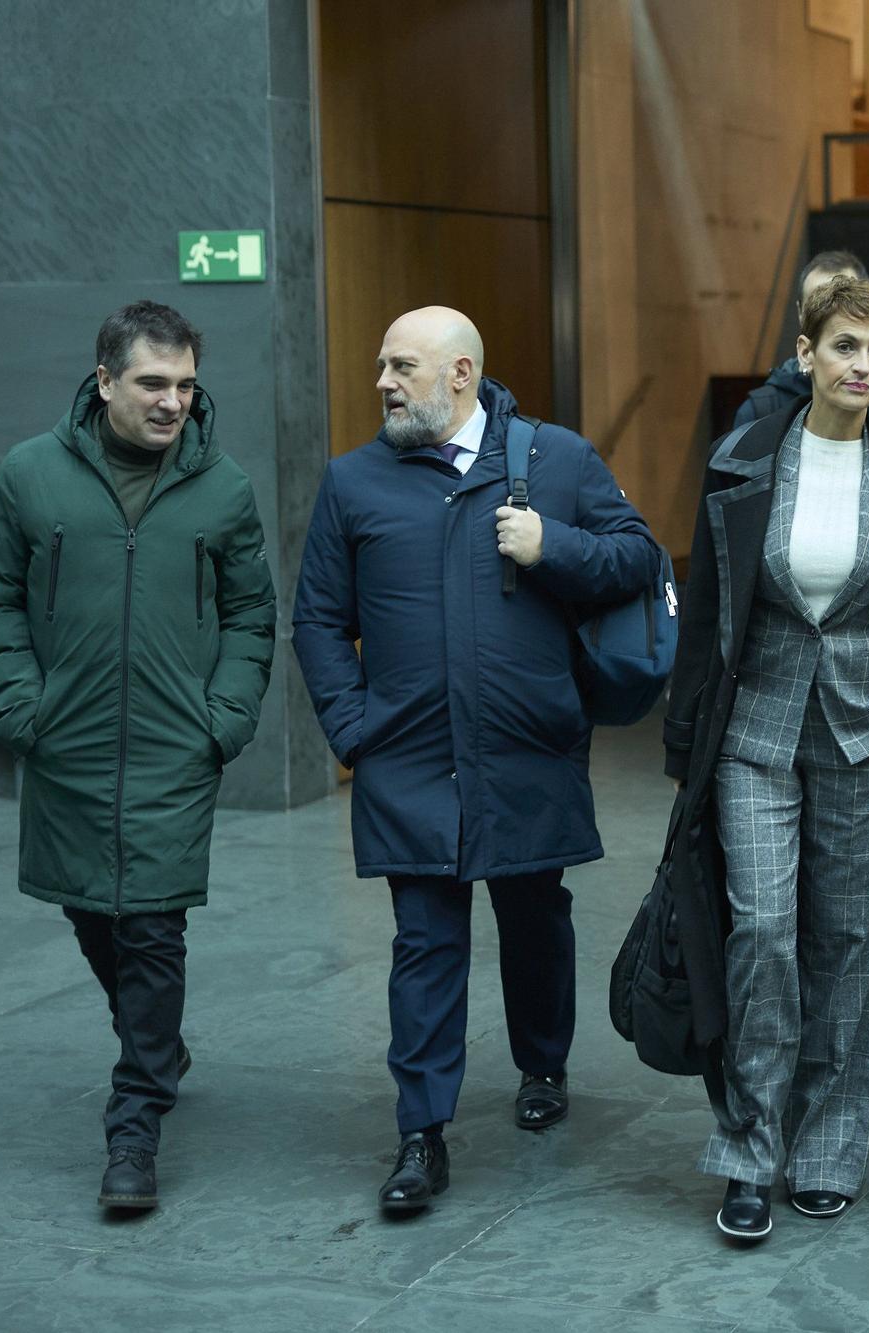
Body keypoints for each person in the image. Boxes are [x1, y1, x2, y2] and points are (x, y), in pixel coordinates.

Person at [292, 306, 656, 1216]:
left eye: (401, 366)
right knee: (425, 941)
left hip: (527, 748)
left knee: (535, 919)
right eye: (382, 364)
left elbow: (638, 559)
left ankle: (544, 1063)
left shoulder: (555, 460)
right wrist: (355, 731)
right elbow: (318, 619)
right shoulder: (353, 482)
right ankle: (421, 1132)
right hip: (406, 759)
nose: (382, 381)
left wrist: (551, 545)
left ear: (459, 375)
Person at [0, 301, 276, 1212]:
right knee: (91, 908)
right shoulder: (30, 474)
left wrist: (225, 717)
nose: (174, 401)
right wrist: (22, 705)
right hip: (66, 740)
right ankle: (158, 1042)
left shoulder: (223, 488)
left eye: (186, 384)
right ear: (104, 382)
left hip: (177, 748)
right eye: (153, 382)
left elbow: (252, 612)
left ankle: (134, 1125)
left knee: (150, 925)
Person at [665, 276, 869, 1243]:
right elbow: (707, 609)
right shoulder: (745, 457)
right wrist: (684, 737)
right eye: (844, 347)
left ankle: (827, 1149)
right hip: (754, 729)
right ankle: (749, 1151)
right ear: (805, 353)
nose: (862, 366)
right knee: (762, 931)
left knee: (851, 942)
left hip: (867, 732)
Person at [733, 249, 869, 429]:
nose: (831, 312)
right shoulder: (761, 410)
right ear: (801, 313)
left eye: (848, 300)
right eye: (817, 305)